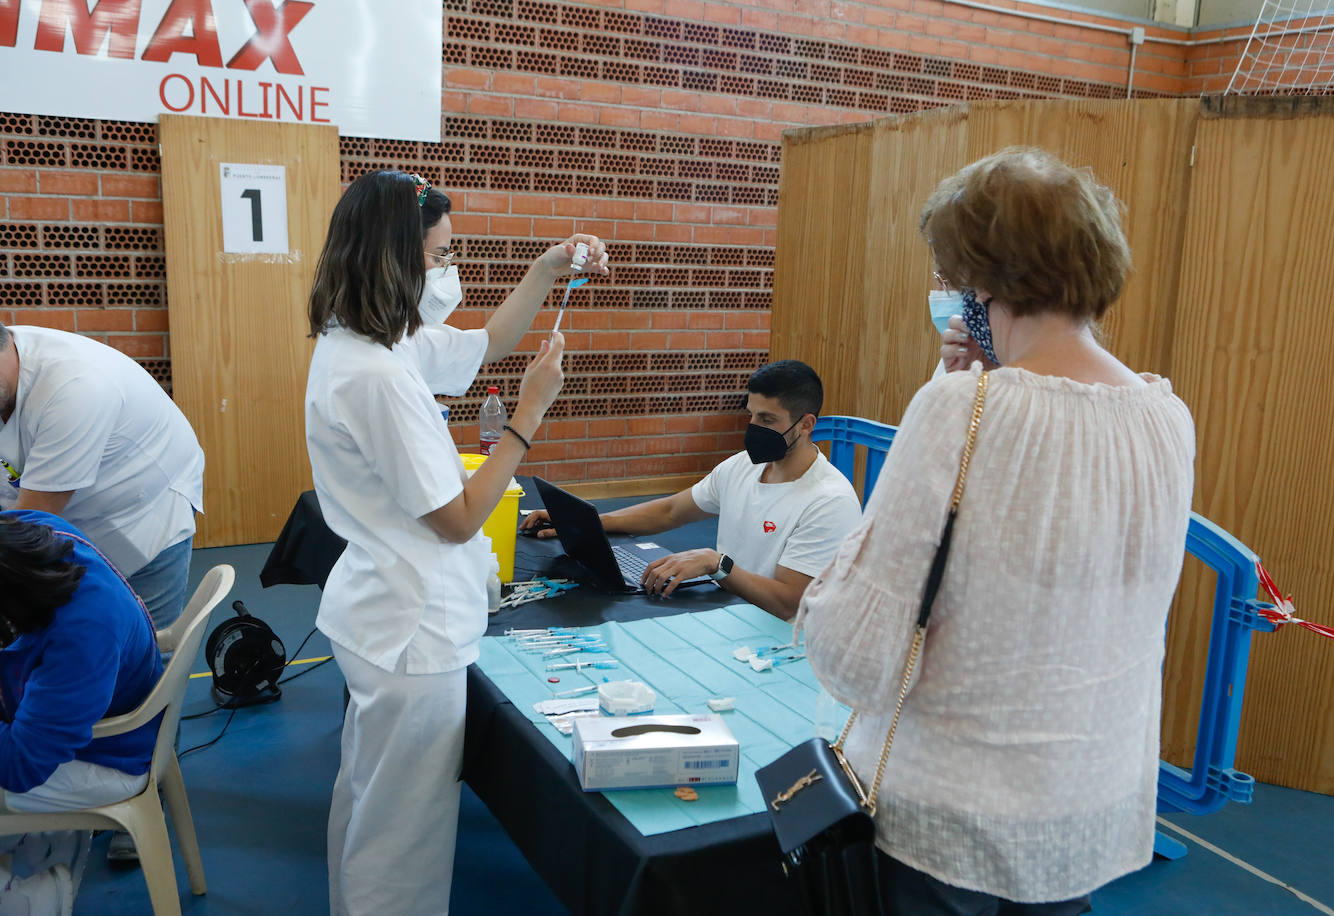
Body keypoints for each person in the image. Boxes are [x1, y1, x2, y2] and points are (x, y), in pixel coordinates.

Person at [797, 147, 1196, 913]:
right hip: (1079, 809)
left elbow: (856, 653)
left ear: (980, 285)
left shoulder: (961, 411)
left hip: (949, 821)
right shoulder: (1165, 418)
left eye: (948, 277)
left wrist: (950, 392)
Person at [305, 169, 602, 916]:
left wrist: (547, 267)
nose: (447, 272)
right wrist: (527, 418)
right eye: (439, 258)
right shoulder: (373, 374)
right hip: (412, 627)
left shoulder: (376, 341)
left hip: (386, 613)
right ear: (392, 261)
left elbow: (491, 341)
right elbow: (462, 517)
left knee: (372, 800)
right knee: (403, 835)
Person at [520, 359, 862, 620]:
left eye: (767, 420)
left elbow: (789, 605)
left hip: (783, 645)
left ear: (806, 424)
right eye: (751, 416)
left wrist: (718, 564)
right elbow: (670, 511)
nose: (754, 428)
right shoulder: (742, 466)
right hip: (730, 615)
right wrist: (586, 522)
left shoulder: (828, 501)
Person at [0, 509, 164, 914]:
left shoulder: (83, 633)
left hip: (105, 756)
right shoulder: (29, 530)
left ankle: (31, 898)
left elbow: (20, 767)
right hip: (72, 719)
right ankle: (45, 849)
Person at [0, 323, 204, 633]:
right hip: (52, 519)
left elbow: (31, 522)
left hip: (139, 513)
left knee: (145, 649)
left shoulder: (77, 384)